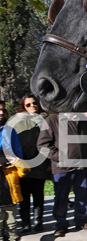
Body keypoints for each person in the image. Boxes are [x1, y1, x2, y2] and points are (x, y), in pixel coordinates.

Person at [37, 112, 87, 237]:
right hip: (62, 167)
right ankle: (61, 224)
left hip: (82, 165)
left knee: (83, 195)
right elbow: (42, 145)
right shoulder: (52, 119)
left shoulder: (82, 119)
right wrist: (60, 157)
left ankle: (82, 221)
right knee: (61, 197)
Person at [7, 95, 51, 233]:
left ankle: (38, 221)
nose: (33, 106)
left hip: (40, 165)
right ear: (23, 106)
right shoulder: (14, 122)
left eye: (35, 103)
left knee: (38, 195)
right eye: (28, 104)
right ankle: (26, 223)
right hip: (22, 165)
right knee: (24, 197)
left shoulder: (45, 120)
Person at [0, 155, 29, 241]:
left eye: (2, 161)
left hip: (10, 201)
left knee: (12, 223)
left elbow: (24, 170)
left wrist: (16, 161)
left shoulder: (11, 169)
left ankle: (14, 240)